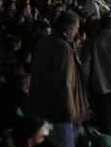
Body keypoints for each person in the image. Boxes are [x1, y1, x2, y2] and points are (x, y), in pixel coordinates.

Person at [29, 11, 90, 147]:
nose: (77, 31)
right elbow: (63, 82)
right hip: (58, 110)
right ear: (69, 29)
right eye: (77, 28)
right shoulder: (63, 48)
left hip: (41, 103)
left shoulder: (44, 40)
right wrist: (70, 112)